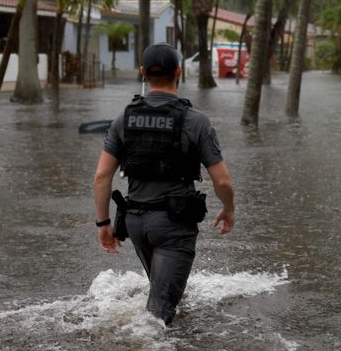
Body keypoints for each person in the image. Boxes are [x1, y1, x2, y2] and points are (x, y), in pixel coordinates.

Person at [92, 43, 235, 325]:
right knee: (159, 315)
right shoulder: (196, 122)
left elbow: (101, 177)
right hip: (173, 225)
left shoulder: (124, 119)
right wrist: (229, 208)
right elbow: (223, 180)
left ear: (143, 73)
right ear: (179, 72)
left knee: (161, 297)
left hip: (135, 224)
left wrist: (102, 224)